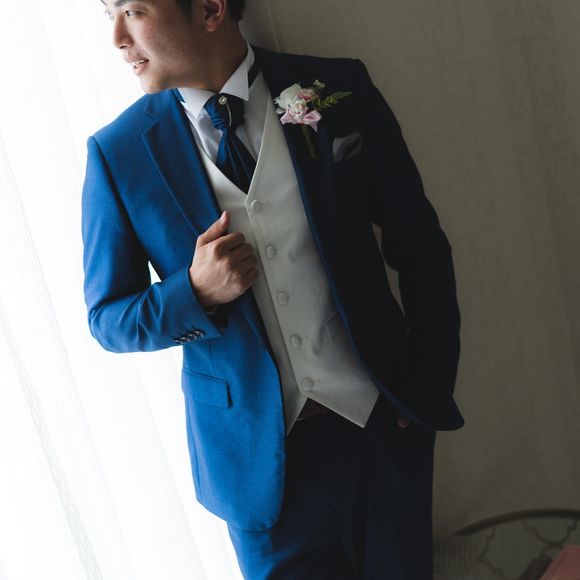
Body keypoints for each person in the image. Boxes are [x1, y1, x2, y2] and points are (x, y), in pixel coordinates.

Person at [81, 0, 465, 577]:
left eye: (132, 10)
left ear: (210, 9)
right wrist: (195, 292)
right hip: (257, 471)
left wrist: (427, 385)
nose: (116, 36)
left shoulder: (337, 90)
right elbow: (107, 318)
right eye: (108, 13)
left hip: (380, 430)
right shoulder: (119, 153)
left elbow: (420, 247)